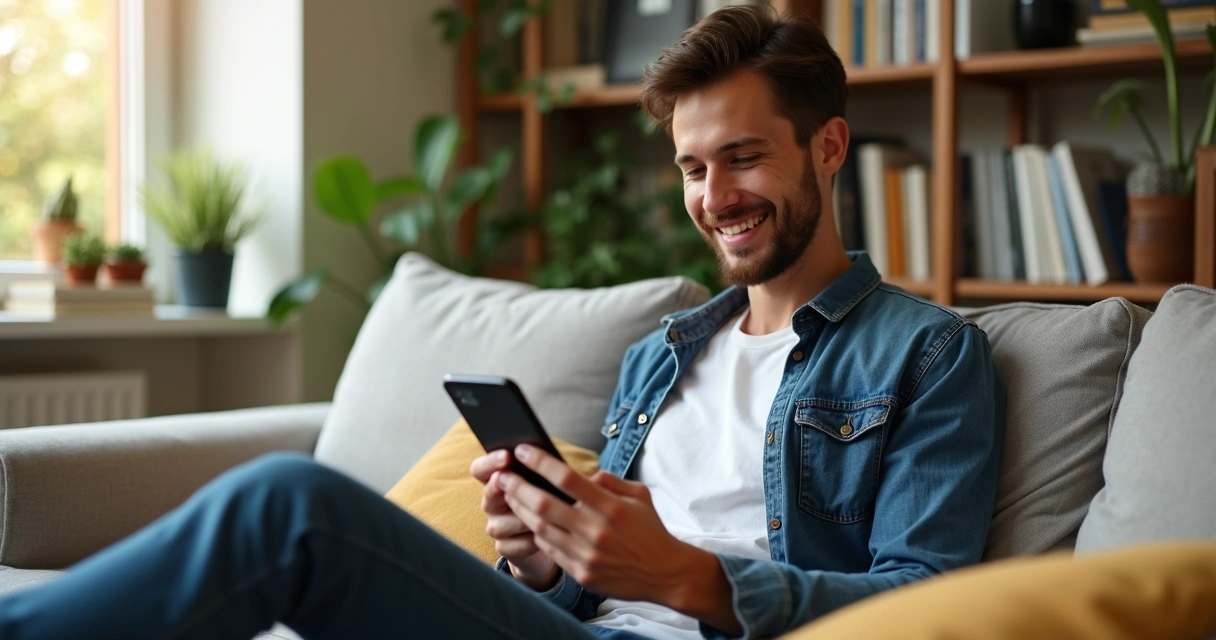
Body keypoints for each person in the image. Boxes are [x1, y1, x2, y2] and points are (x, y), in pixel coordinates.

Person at [0, 5, 1004, 640]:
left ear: (826, 148)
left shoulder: (926, 353)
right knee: (288, 520)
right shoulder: (663, 355)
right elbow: (584, 587)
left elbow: (923, 608)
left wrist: (690, 576)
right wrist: (540, 553)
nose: (714, 196)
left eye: (742, 157)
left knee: (291, 506)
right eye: (694, 168)